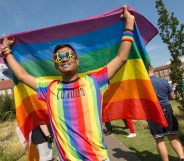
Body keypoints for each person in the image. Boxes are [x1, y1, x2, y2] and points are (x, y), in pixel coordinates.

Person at [1, 5, 135, 161]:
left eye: (68, 55)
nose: (64, 58)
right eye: (59, 58)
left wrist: (129, 24)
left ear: (77, 61)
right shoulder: (49, 88)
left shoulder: (94, 80)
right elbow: (22, 76)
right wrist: (6, 50)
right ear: (56, 66)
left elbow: (121, 58)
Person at [148, 65, 184, 161]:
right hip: (166, 109)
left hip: (152, 111)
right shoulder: (163, 81)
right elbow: (173, 97)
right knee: (173, 136)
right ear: (153, 69)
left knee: (159, 139)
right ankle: (182, 157)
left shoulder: (143, 84)